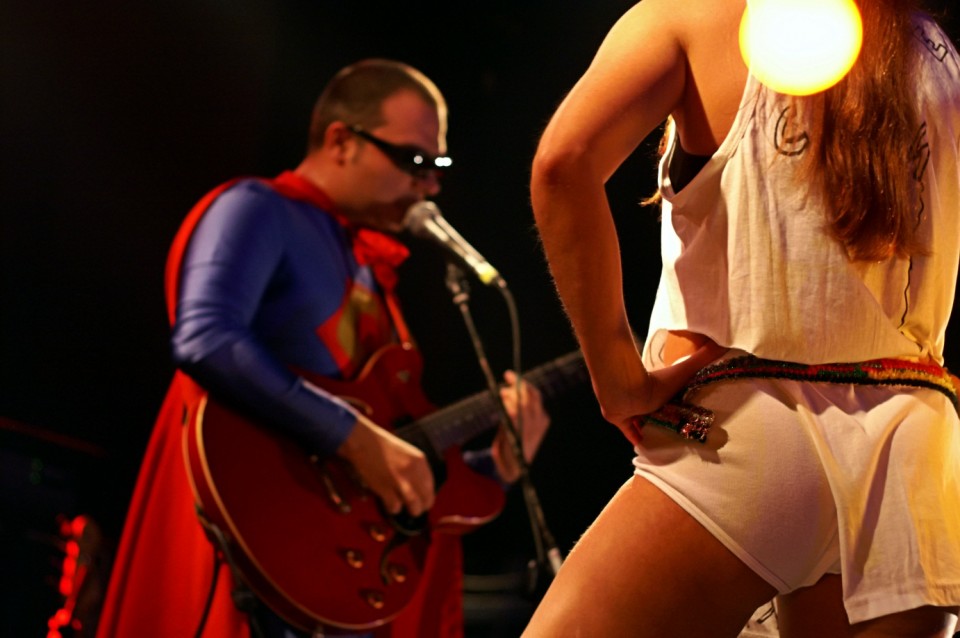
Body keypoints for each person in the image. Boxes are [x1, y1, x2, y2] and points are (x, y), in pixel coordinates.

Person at [525, 0, 960, 636]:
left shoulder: (692, 16)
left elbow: (562, 164)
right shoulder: (937, 52)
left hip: (748, 434)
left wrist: (618, 377)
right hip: (912, 458)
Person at [95, 58, 551, 638]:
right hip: (247, 546)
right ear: (341, 141)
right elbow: (205, 335)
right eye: (415, 161)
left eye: (438, 166)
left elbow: (391, 452)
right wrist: (357, 439)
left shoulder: (364, 262)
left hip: (325, 568)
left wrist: (498, 467)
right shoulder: (257, 207)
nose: (431, 185)